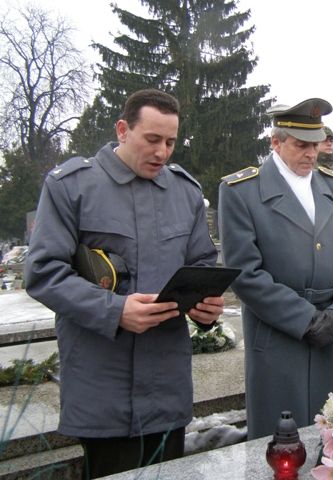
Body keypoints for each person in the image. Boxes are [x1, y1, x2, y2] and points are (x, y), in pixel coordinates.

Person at [25, 89, 224, 478]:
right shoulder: (72, 186)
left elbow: (202, 262)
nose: (162, 152)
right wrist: (115, 311)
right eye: (152, 139)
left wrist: (206, 306)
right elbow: (44, 272)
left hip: (166, 388)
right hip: (103, 389)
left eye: (170, 142)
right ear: (122, 130)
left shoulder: (184, 192)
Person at [218, 98, 333, 439]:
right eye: (301, 145)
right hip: (278, 337)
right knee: (281, 444)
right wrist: (305, 320)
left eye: (316, 144)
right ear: (276, 142)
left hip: (332, 333)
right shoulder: (242, 191)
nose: (312, 154)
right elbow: (244, 273)